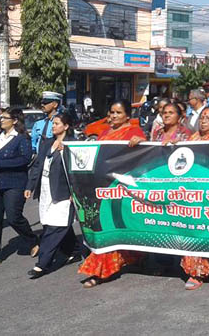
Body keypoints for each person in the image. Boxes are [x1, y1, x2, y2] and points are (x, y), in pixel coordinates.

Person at [78, 99, 147, 288]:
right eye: (112, 112)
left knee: (117, 228)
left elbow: (144, 158)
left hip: (122, 190)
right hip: (102, 189)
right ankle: (105, 267)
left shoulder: (135, 133)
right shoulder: (106, 133)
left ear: (127, 115)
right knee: (109, 229)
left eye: (118, 113)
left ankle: (101, 269)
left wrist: (142, 143)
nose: (113, 116)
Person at [25, 113, 83, 279]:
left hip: (63, 192)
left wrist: (75, 192)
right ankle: (74, 250)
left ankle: (43, 263)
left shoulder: (72, 144)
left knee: (55, 227)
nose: (53, 126)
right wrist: (30, 185)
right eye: (53, 123)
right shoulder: (47, 143)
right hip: (45, 189)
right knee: (52, 222)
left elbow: (79, 168)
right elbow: (37, 166)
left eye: (57, 123)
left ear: (66, 126)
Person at [0, 108, 38, 269]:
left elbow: (25, 159)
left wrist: (1, 163)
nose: (1, 120)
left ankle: (32, 240)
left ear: (14, 120)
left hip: (14, 183)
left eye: (4, 118)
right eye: (1, 118)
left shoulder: (22, 138)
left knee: (13, 217)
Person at [177, 107, 209, 290]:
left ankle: (199, 272)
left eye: (208, 118)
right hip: (189, 193)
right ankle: (193, 269)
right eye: (202, 118)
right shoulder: (192, 138)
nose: (203, 121)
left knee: (204, 232)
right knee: (190, 231)